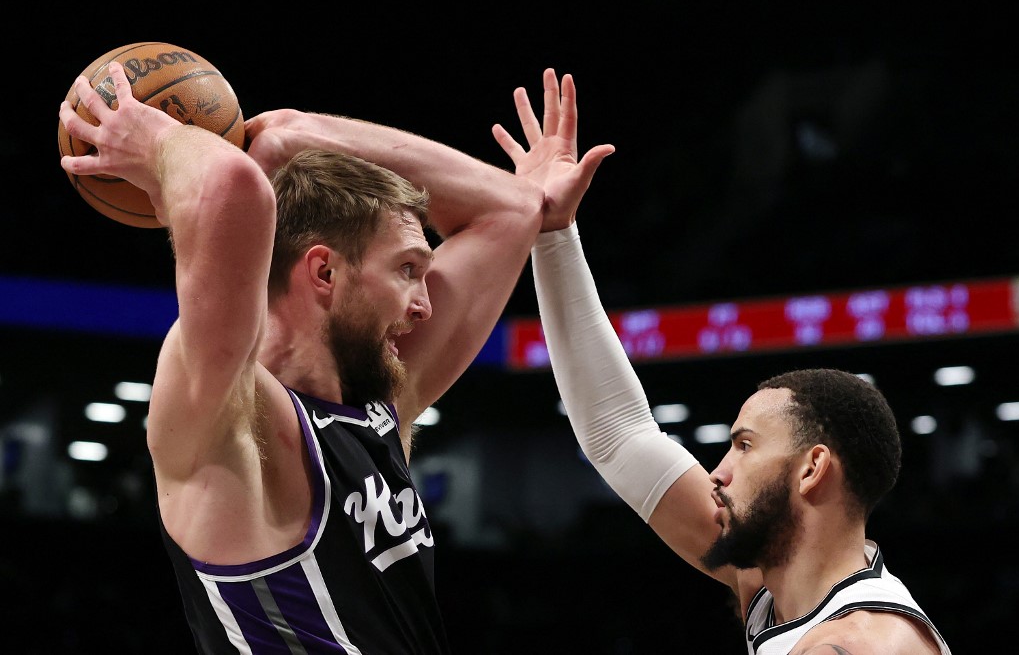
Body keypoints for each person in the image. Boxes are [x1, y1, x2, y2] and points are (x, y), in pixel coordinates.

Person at [58, 62, 614, 653]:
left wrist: (296, 133)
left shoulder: (379, 407)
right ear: (323, 272)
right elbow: (230, 184)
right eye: (408, 271)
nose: (426, 306)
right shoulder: (230, 416)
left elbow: (511, 211)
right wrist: (158, 140)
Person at [492, 93, 953, 653]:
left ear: (812, 469)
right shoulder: (772, 583)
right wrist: (553, 232)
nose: (716, 472)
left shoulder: (864, 644)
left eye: (744, 446)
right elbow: (617, 433)